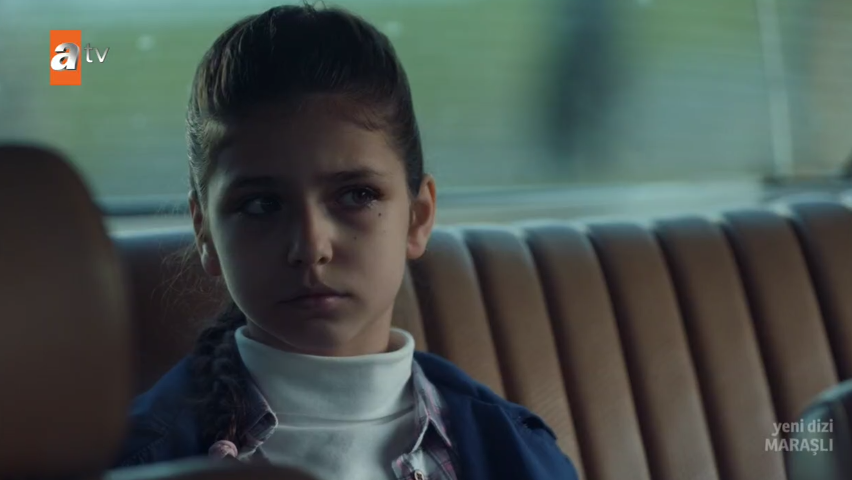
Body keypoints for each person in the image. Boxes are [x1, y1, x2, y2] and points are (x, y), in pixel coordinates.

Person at [114, 4, 579, 480]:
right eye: (261, 205)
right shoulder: (131, 462)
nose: (311, 247)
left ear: (418, 217)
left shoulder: (517, 454)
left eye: (357, 195)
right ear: (205, 232)